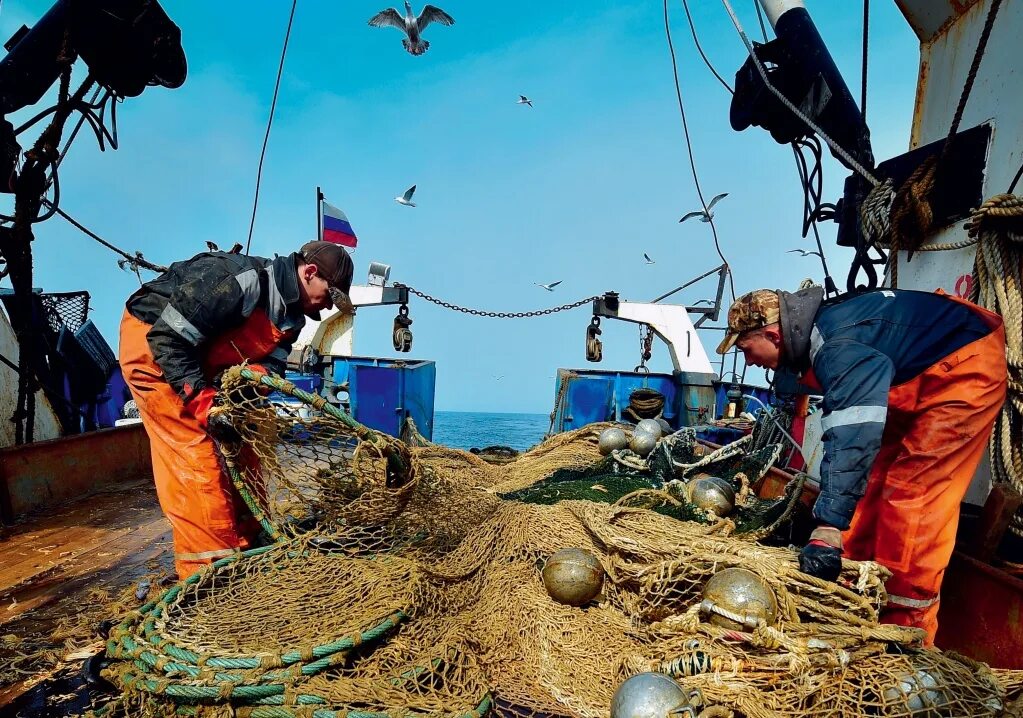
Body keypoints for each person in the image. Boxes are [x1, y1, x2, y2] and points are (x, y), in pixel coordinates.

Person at [716, 285, 1007, 645]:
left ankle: (905, 631)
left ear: (773, 335)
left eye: (745, 349)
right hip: (913, 375)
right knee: (869, 484)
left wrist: (827, 529)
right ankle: (851, 591)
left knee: (912, 497)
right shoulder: (821, 336)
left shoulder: (837, 347)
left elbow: (851, 440)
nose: (748, 361)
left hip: (962, 368)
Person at [118, 241, 354, 579]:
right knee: (198, 457)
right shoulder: (234, 280)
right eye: (330, 294)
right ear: (310, 272)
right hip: (155, 351)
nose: (330, 305)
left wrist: (246, 401)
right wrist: (205, 405)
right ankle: (207, 571)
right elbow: (167, 340)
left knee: (250, 440)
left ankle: (247, 538)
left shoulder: (293, 319)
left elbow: (269, 370)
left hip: (204, 361)